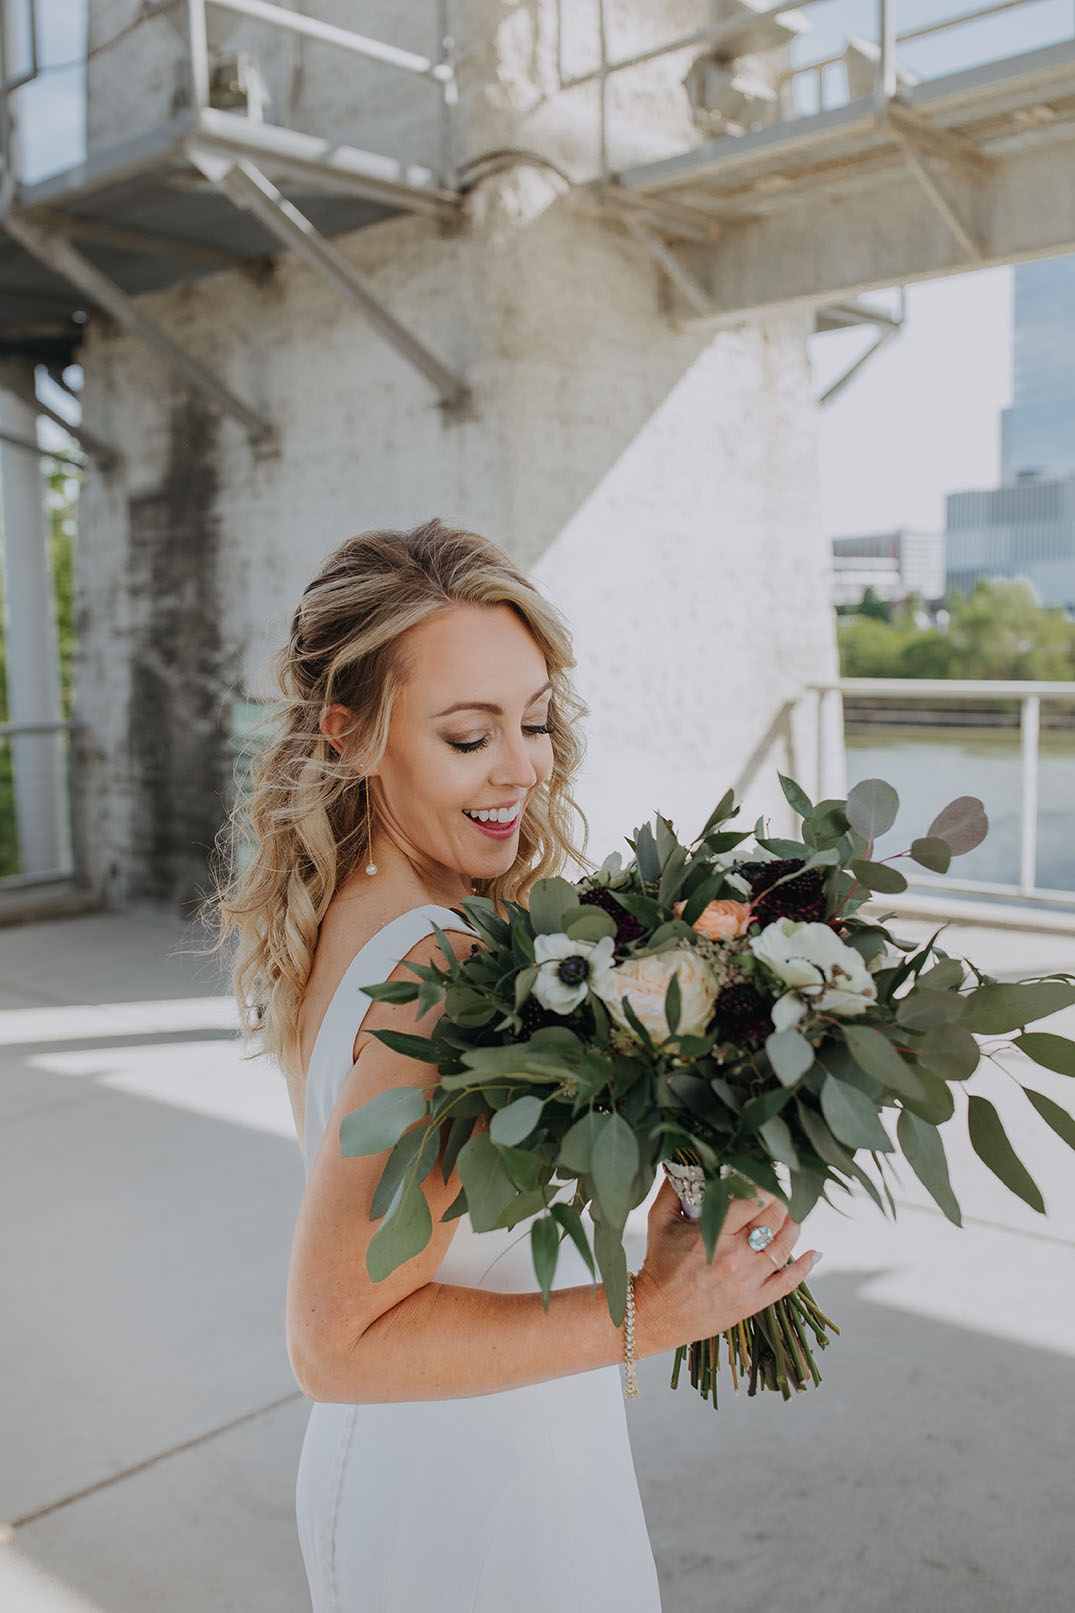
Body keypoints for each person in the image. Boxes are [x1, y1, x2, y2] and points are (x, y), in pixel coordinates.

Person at [203, 516, 820, 1612]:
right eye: (466, 734)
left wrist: (680, 1150)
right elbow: (334, 1340)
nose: (523, 767)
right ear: (347, 733)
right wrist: (658, 1311)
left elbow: (457, 1221)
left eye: (532, 721)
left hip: (464, 1446)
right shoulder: (443, 961)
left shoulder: (373, 906)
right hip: (467, 1501)